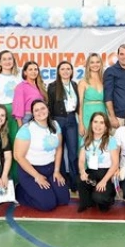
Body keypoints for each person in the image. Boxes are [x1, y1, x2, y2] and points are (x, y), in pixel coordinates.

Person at [13, 100, 68, 211]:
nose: (40, 112)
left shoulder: (55, 125)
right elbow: (18, 156)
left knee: (63, 199)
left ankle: (47, 189)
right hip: (31, 171)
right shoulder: (26, 129)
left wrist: (56, 171)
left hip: (50, 169)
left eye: (43, 108)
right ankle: (20, 190)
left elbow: (59, 148)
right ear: (32, 114)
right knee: (48, 204)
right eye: (36, 110)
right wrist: (37, 176)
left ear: (48, 109)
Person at [77, 112, 120, 212]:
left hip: (106, 173)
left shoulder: (111, 140)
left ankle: (107, 197)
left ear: (106, 126)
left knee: (101, 202)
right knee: (80, 180)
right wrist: (83, 172)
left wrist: (104, 181)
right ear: (91, 123)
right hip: (92, 171)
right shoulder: (85, 139)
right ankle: (88, 200)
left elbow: (115, 164)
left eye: (102, 123)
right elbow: (82, 160)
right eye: (95, 122)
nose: (98, 125)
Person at [46, 61, 80, 189]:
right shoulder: (53, 86)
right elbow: (49, 106)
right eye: (62, 69)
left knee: (72, 152)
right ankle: (60, 180)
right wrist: (51, 124)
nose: (65, 71)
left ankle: (74, 182)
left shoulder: (75, 85)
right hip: (58, 120)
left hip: (72, 120)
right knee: (58, 151)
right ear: (58, 71)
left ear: (72, 71)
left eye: (68, 69)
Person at [104, 44, 125, 128]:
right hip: (118, 118)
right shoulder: (110, 71)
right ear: (117, 55)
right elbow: (108, 96)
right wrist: (112, 117)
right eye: (121, 54)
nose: (124, 57)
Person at [78, 53, 107, 136]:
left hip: (103, 114)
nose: (95, 64)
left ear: (101, 64)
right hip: (87, 115)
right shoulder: (83, 82)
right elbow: (80, 104)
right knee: (88, 142)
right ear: (88, 65)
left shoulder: (105, 81)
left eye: (97, 62)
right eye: (92, 62)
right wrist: (81, 123)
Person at [13, 61, 48, 126]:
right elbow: (18, 108)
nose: (33, 72)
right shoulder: (21, 87)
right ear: (25, 72)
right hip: (28, 118)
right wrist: (20, 127)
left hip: (41, 116)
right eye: (30, 69)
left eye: (35, 69)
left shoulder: (40, 86)